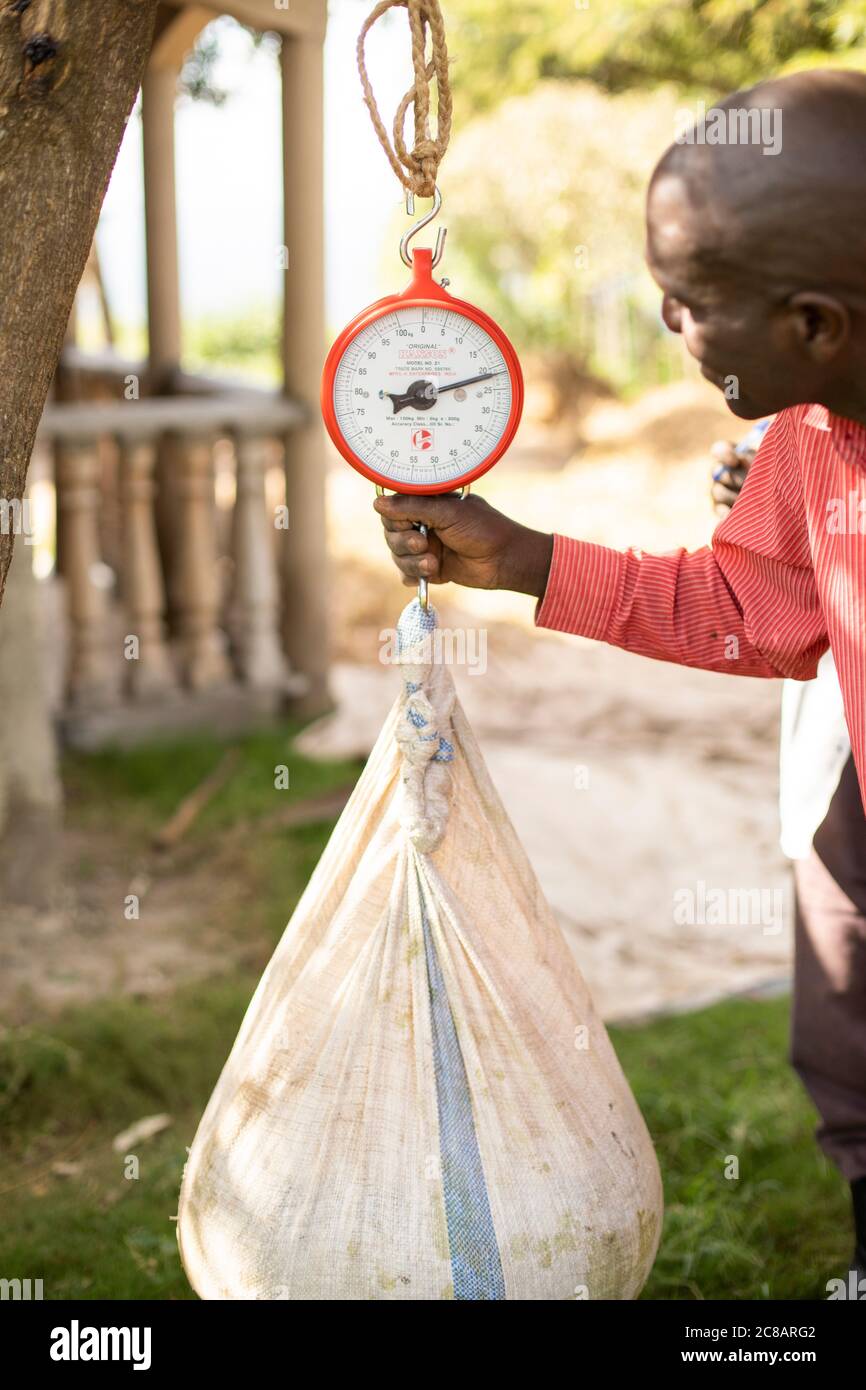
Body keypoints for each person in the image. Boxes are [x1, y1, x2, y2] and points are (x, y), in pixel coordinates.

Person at [375, 69, 866, 1281]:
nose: (668, 327)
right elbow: (753, 610)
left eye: (688, 302)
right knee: (847, 1045)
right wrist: (527, 559)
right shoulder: (809, 441)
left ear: (810, 324)